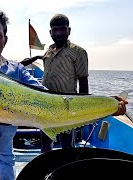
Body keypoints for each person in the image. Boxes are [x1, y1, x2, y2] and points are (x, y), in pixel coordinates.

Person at [0, 8, 128, 180]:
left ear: (5, 39)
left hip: (1, 167)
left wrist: (106, 106)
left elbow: (47, 100)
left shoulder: (17, 71)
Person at [21, 14, 89, 153]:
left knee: (67, 145)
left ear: (69, 30)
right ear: (50, 32)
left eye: (62, 29)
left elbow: (83, 82)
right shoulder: (48, 51)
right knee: (45, 142)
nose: (58, 33)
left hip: (67, 107)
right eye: (55, 29)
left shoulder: (78, 52)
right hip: (46, 106)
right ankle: (46, 169)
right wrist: (36, 57)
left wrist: (83, 112)